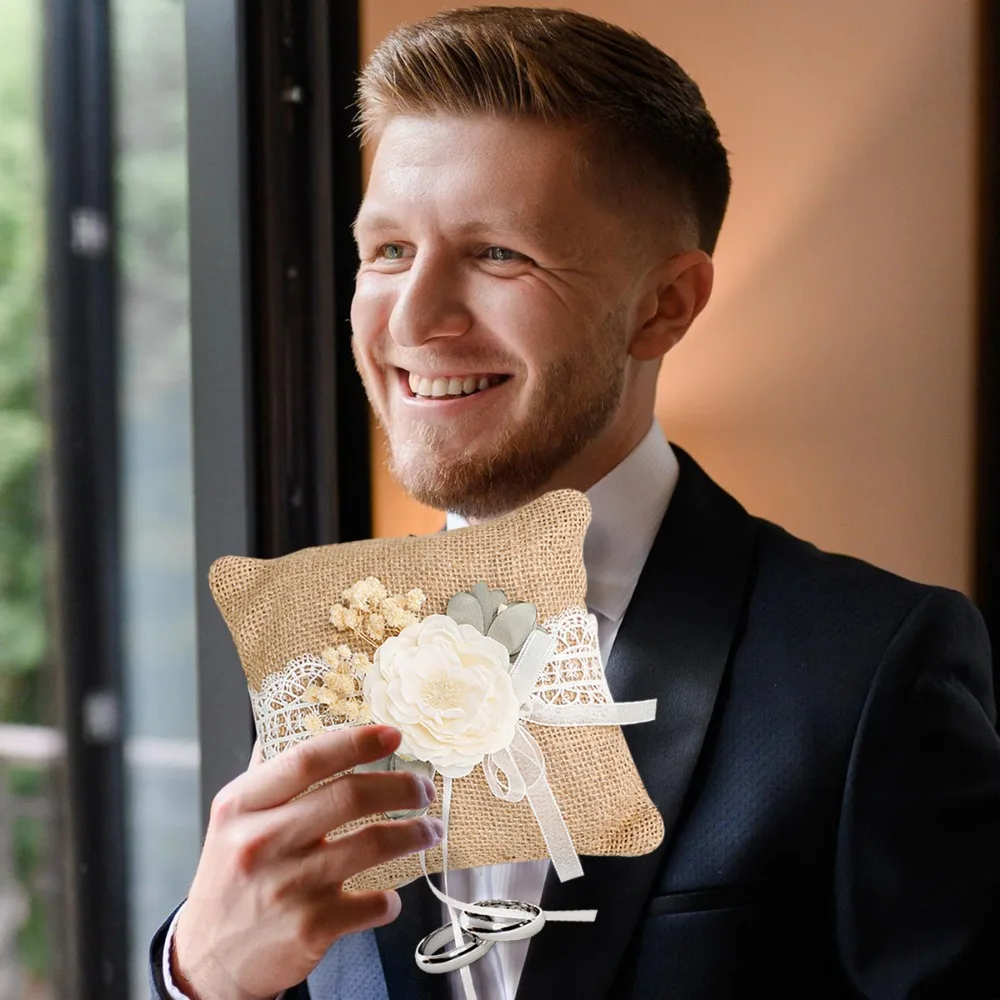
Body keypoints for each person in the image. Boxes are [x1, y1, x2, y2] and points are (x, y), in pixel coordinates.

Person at [149, 7, 1000, 999]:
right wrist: (196, 973)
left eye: (497, 254)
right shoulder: (318, 662)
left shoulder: (871, 669)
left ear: (665, 304)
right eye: (385, 252)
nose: (412, 318)